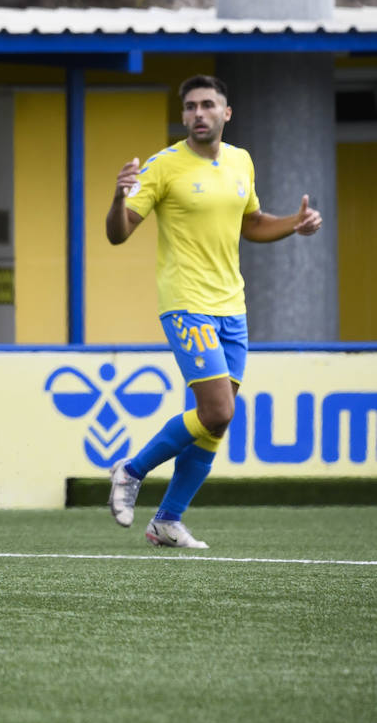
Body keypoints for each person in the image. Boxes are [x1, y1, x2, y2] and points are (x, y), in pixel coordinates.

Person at [105, 74, 322, 548]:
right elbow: (119, 234)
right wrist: (119, 197)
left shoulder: (241, 161)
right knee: (218, 408)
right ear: (182, 116)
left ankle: (167, 520)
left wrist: (296, 224)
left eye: (207, 105)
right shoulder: (164, 166)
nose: (198, 114)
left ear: (226, 113)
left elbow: (253, 223)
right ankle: (131, 469)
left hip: (232, 308)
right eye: (190, 107)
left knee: (216, 420)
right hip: (187, 305)